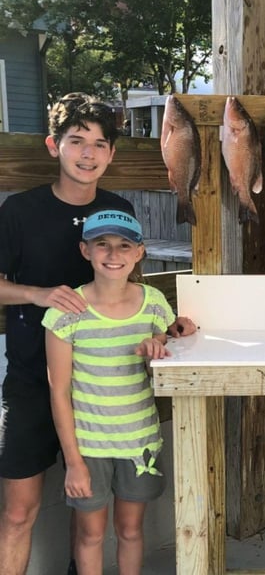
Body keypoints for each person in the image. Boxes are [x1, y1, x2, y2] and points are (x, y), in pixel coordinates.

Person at [0, 93, 194, 575]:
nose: (87, 154)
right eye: (76, 141)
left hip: (104, 394)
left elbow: (131, 289)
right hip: (31, 380)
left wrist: (168, 328)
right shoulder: (20, 211)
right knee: (19, 511)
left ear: (111, 154)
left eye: (99, 144)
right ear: (54, 146)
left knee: (87, 517)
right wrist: (38, 294)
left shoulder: (116, 207)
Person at [43, 210, 173, 575]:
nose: (113, 255)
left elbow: (169, 337)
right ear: (86, 251)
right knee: (90, 535)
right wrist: (73, 462)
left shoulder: (153, 303)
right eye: (103, 245)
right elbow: (59, 391)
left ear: (139, 252)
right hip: (88, 447)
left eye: (123, 246)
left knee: (131, 530)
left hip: (139, 443)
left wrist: (159, 341)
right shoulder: (66, 313)